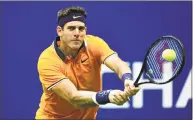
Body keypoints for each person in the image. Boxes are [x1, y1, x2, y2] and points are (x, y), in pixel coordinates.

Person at [35, 6, 140, 119]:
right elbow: (73, 97)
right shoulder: (47, 60)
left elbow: (118, 63)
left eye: (81, 29)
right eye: (71, 28)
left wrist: (127, 78)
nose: (77, 33)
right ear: (59, 31)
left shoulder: (95, 43)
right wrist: (107, 96)